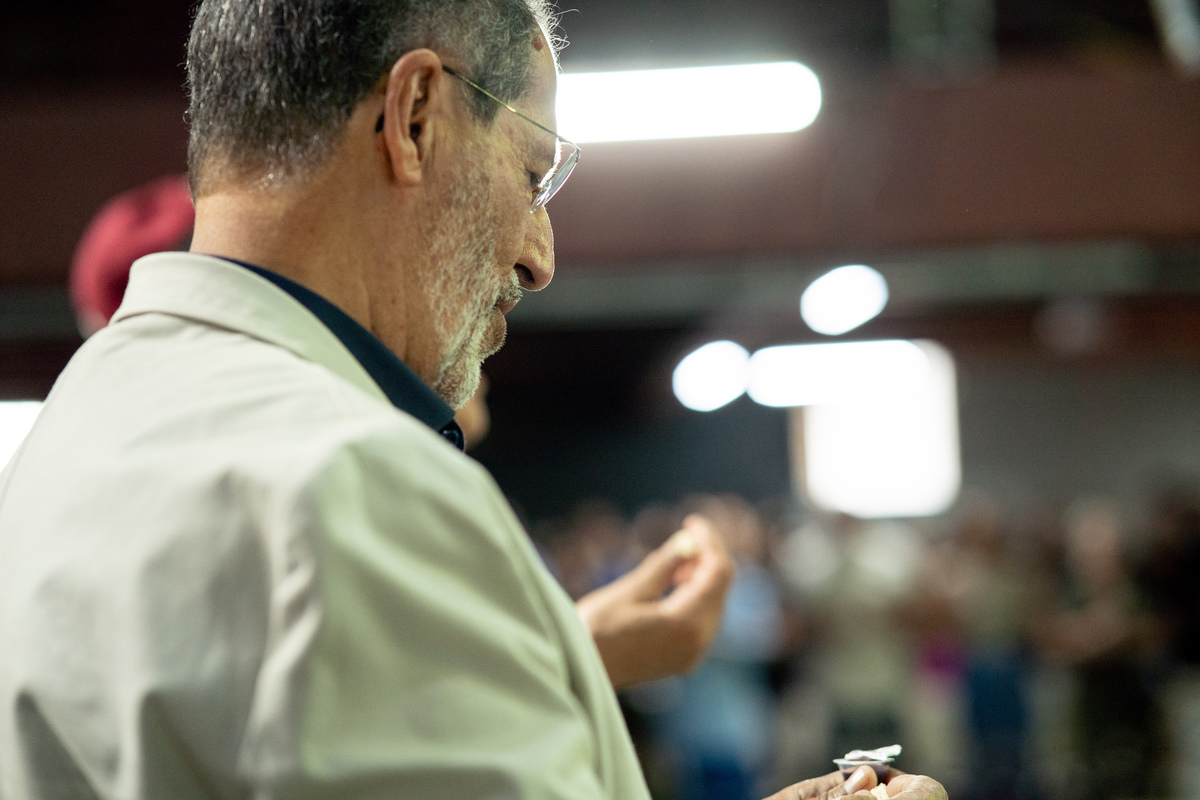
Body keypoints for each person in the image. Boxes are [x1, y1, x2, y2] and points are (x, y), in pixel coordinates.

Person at [0, 2, 948, 799]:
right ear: (414, 117)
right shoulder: (356, 484)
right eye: (533, 177)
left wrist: (549, 656)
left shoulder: (81, 422)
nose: (540, 257)